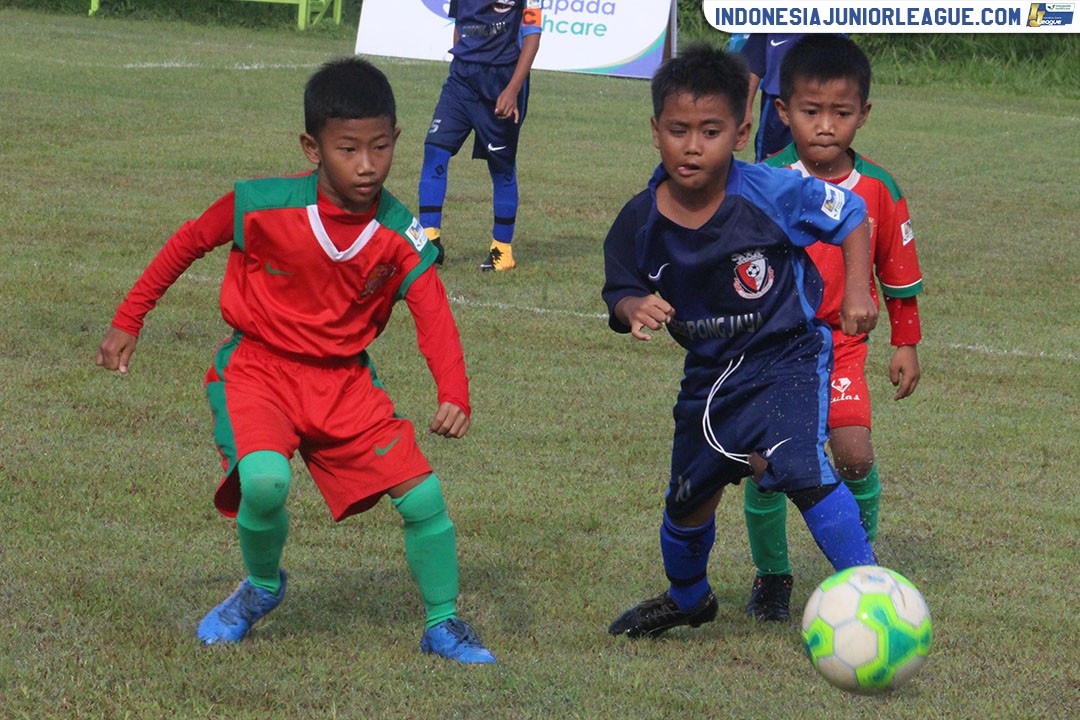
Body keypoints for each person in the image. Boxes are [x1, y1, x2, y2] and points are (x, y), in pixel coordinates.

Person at [95, 57, 496, 664]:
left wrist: (454, 390)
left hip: (345, 383)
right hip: (259, 371)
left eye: (381, 147)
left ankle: (443, 624)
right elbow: (185, 243)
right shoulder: (260, 204)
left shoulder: (402, 234)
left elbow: (433, 313)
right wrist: (129, 319)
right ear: (313, 148)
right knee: (263, 481)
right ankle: (260, 587)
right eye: (348, 149)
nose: (367, 164)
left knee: (423, 498)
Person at [602, 43, 879, 640]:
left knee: (802, 467)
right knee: (686, 501)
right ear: (655, 132)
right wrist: (631, 306)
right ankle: (688, 599)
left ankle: (871, 589)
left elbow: (852, 215)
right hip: (710, 374)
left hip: (788, 357)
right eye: (678, 130)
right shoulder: (639, 221)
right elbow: (618, 288)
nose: (693, 145)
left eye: (711, 130)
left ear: (742, 129)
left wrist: (859, 287)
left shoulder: (770, 192)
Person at [743, 34, 924, 622]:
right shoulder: (763, 181)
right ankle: (772, 577)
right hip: (772, 348)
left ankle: (859, 569)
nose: (825, 127)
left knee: (854, 455)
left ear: (862, 115)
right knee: (764, 464)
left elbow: (898, 272)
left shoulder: (878, 188)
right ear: (782, 111)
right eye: (810, 112)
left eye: (840, 114)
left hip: (842, 346)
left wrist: (906, 342)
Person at [418, 0, 543, 271]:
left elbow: (532, 37)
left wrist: (512, 90)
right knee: (435, 148)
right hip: (461, 81)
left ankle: (502, 251)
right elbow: (460, 27)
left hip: (502, 83)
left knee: (501, 166)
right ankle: (430, 240)